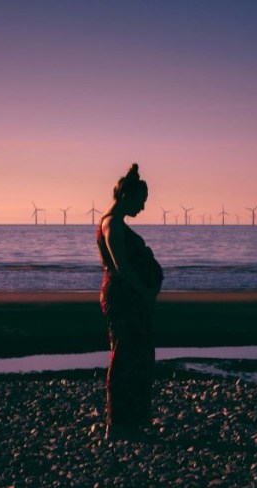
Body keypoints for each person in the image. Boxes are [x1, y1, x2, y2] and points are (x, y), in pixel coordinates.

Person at [97, 163, 163, 441]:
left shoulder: (117, 223)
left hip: (130, 297)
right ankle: (119, 423)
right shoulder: (111, 224)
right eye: (141, 200)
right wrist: (145, 292)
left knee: (137, 355)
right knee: (125, 357)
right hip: (124, 298)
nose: (143, 208)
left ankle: (132, 422)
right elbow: (121, 266)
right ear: (128, 196)